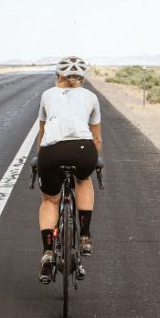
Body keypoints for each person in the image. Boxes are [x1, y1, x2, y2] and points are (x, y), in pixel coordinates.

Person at [37, 56, 102, 285]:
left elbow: (43, 134)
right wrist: (95, 161)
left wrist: (41, 160)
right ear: (82, 79)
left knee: (50, 201)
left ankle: (47, 253)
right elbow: (96, 138)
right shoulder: (91, 97)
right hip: (84, 149)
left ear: (58, 76)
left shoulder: (47, 95)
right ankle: (84, 237)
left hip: (51, 152)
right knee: (83, 180)